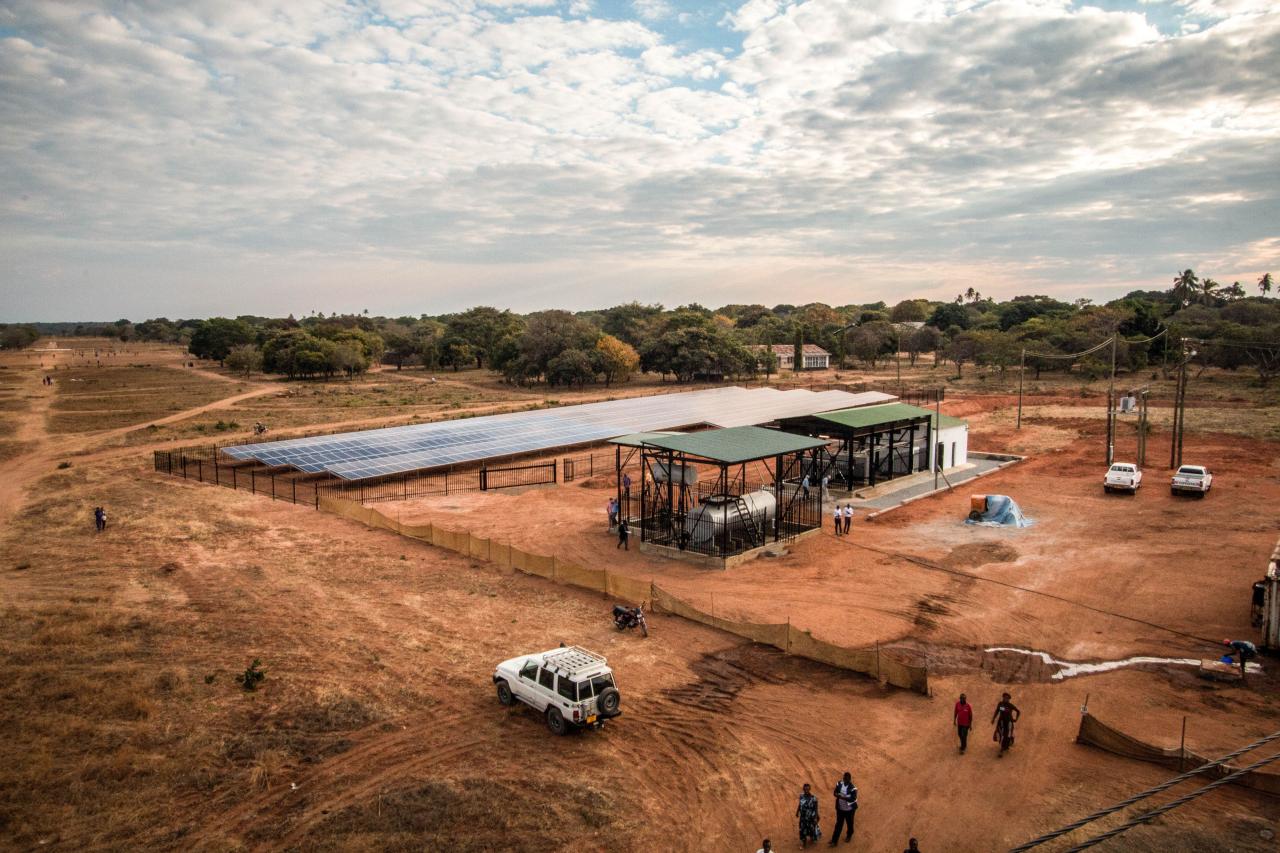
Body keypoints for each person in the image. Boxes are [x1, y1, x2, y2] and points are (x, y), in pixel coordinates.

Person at [829, 772, 857, 845]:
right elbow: (835, 792)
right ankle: (834, 840)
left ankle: (849, 835)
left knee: (850, 823)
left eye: (847, 779)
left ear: (850, 779)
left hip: (849, 810)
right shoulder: (839, 784)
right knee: (838, 824)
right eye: (844, 778)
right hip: (840, 809)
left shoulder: (853, 788)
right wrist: (836, 795)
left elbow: (853, 799)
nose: (845, 780)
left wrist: (843, 797)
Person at [797, 782, 820, 847]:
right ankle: (804, 842)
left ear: (810, 789)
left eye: (807, 789)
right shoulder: (801, 796)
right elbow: (800, 804)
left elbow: (816, 808)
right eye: (805, 789)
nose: (806, 791)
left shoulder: (813, 798)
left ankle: (812, 837)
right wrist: (797, 811)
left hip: (811, 817)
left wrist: (815, 817)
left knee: (811, 828)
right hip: (803, 817)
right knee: (802, 829)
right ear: (803, 789)